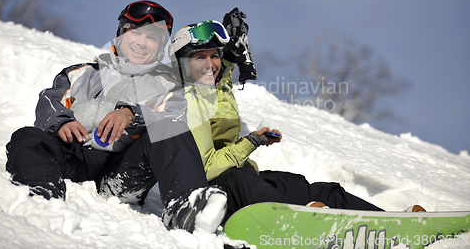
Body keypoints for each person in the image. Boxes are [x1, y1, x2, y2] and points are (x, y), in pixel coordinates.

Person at [169, 15, 426, 222]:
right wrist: (250, 142)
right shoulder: (186, 102)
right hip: (216, 191)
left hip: (245, 180)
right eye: (200, 57)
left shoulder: (213, 91)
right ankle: (304, 222)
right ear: (181, 63)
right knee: (243, 179)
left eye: (214, 55)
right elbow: (205, 168)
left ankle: (390, 223)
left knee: (318, 190)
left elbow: (222, 73)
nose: (211, 63)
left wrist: (233, 56)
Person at [5, 0, 227, 233]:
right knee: (27, 136)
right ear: (121, 35)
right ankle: (41, 197)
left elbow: (172, 113)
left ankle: (189, 209)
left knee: (170, 127)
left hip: (121, 173)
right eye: (136, 33)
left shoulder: (166, 85)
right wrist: (62, 122)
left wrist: (132, 112)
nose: (142, 42)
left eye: (152, 38)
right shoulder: (83, 74)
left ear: (160, 48)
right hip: (73, 157)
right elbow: (50, 100)